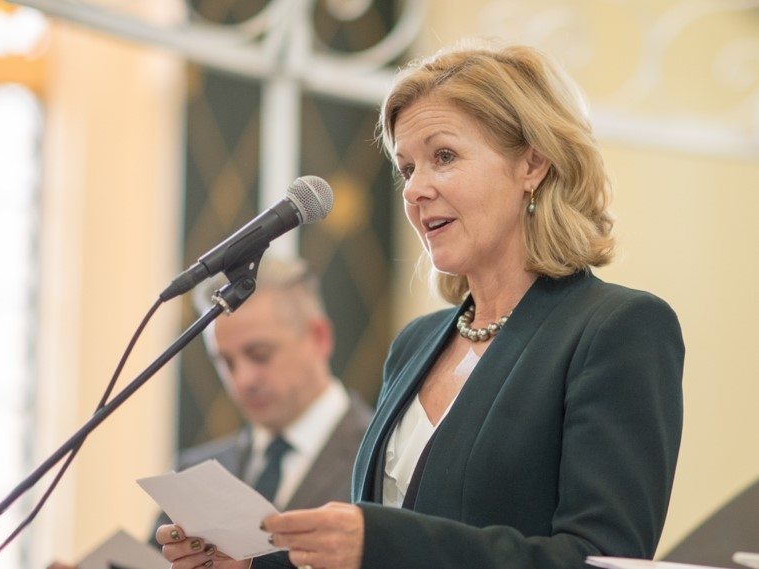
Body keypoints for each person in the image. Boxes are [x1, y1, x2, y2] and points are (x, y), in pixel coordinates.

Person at [156, 40, 684, 569]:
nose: (414, 190)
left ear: (533, 163)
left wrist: (382, 541)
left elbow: (604, 558)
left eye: (444, 157)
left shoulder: (618, 328)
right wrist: (251, 564)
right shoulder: (417, 344)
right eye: (407, 168)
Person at [50, 255, 372, 568]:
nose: (242, 379)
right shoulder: (194, 471)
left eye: (259, 354)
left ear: (319, 337)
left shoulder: (384, 455)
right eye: (226, 362)